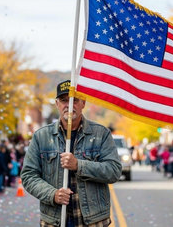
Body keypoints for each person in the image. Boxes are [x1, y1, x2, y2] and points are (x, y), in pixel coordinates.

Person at [21, 80, 122, 227]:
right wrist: (52, 194)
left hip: (93, 221)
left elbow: (114, 171)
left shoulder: (101, 134)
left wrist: (78, 165)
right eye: (64, 100)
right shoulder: (41, 136)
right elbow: (28, 175)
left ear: (83, 103)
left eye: (75, 100)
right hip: (54, 220)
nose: (69, 105)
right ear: (57, 104)